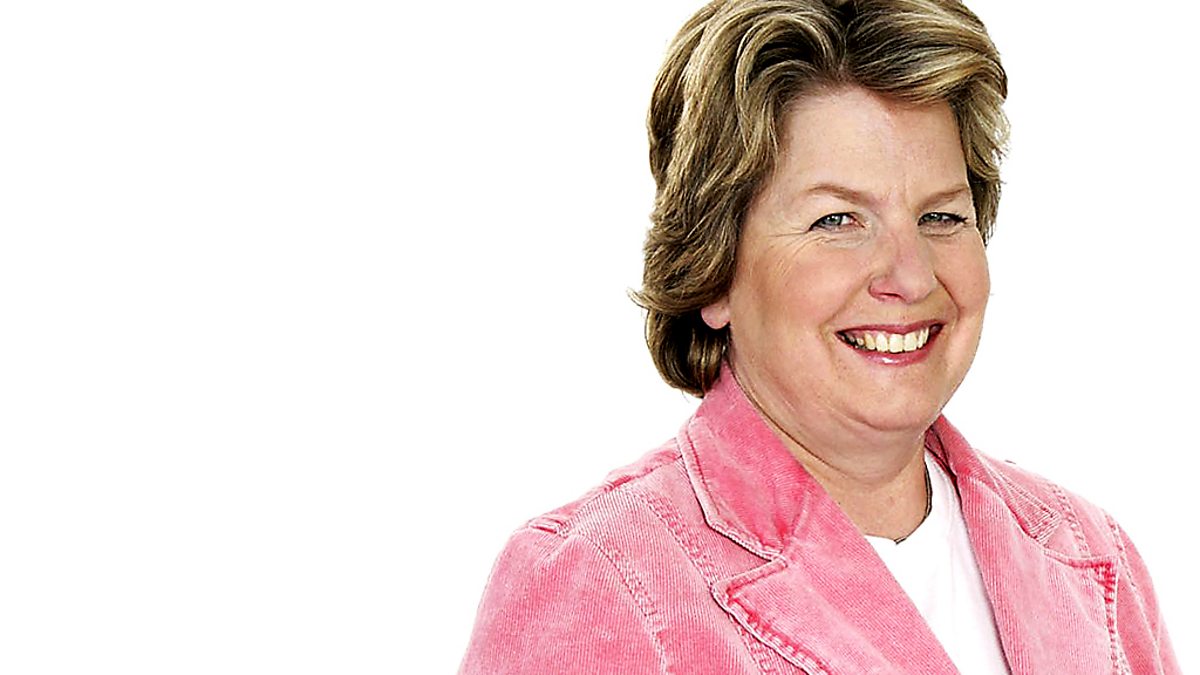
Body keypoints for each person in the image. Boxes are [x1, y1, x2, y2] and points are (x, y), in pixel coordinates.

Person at [458, 0, 1179, 672]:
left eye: (942, 217)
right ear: (714, 271)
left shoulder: (1092, 558)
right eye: (837, 220)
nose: (911, 276)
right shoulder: (600, 579)